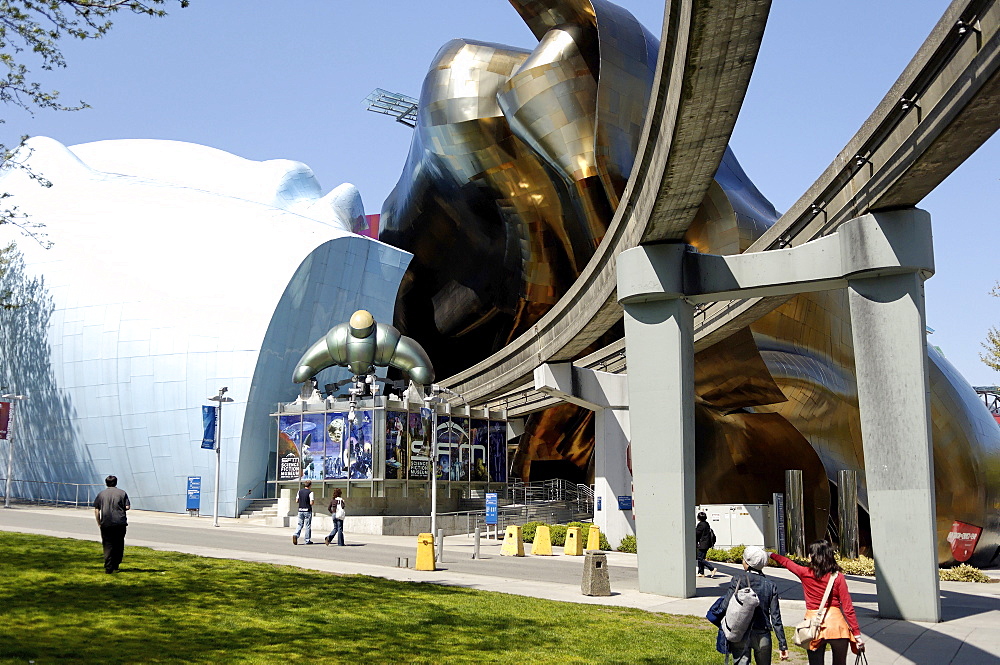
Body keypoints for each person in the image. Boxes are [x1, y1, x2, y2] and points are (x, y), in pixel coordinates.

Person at [770, 541, 865, 665]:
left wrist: (771, 555)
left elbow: (787, 562)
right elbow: (848, 608)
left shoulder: (805, 573)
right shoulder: (838, 577)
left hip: (813, 625)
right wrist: (857, 634)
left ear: (814, 556)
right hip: (837, 626)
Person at [719, 546, 789, 664]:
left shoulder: (738, 580)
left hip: (740, 632)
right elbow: (776, 618)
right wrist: (782, 644)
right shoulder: (770, 585)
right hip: (763, 633)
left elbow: (724, 606)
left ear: (747, 563)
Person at [93, 475, 130, 574]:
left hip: (106, 523)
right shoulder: (122, 493)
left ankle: (108, 566)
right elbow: (127, 507)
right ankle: (116, 564)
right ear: (116, 482)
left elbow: (96, 510)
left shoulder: (101, 494)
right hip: (119, 523)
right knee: (119, 543)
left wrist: (99, 522)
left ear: (106, 483)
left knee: (108, 544)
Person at [292, 480, 315, 545]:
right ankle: (307, 540)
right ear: (310, 485)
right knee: (307, 525)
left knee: (300, 524)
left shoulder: (299, 491)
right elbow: (311, 502)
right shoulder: (310, 492)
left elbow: (297, 500)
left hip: (300, 510)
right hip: (307, 510)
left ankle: (296, 534)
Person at [696, 511, 718, 578]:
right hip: (706, 544)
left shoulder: (701, 525)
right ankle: (701, 572)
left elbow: (697, 533)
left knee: (700, 558)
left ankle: (712, 568)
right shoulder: (706, 524)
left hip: (703, 544)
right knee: (701, 558)